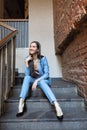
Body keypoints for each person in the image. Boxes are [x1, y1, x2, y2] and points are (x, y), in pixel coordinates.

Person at [16, 41, 63, 121]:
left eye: (34, 46)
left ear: (37, 49)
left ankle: (56, 105)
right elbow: (27, 75)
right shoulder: (27, 59)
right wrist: (27, 63)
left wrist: (36, 81)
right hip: (32, 79)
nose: (31, 48)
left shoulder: (43, 59)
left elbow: (46, 74)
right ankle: (21, 102)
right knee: (27, 78)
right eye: (30, 46)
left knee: (41, 82)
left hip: (43, 80)